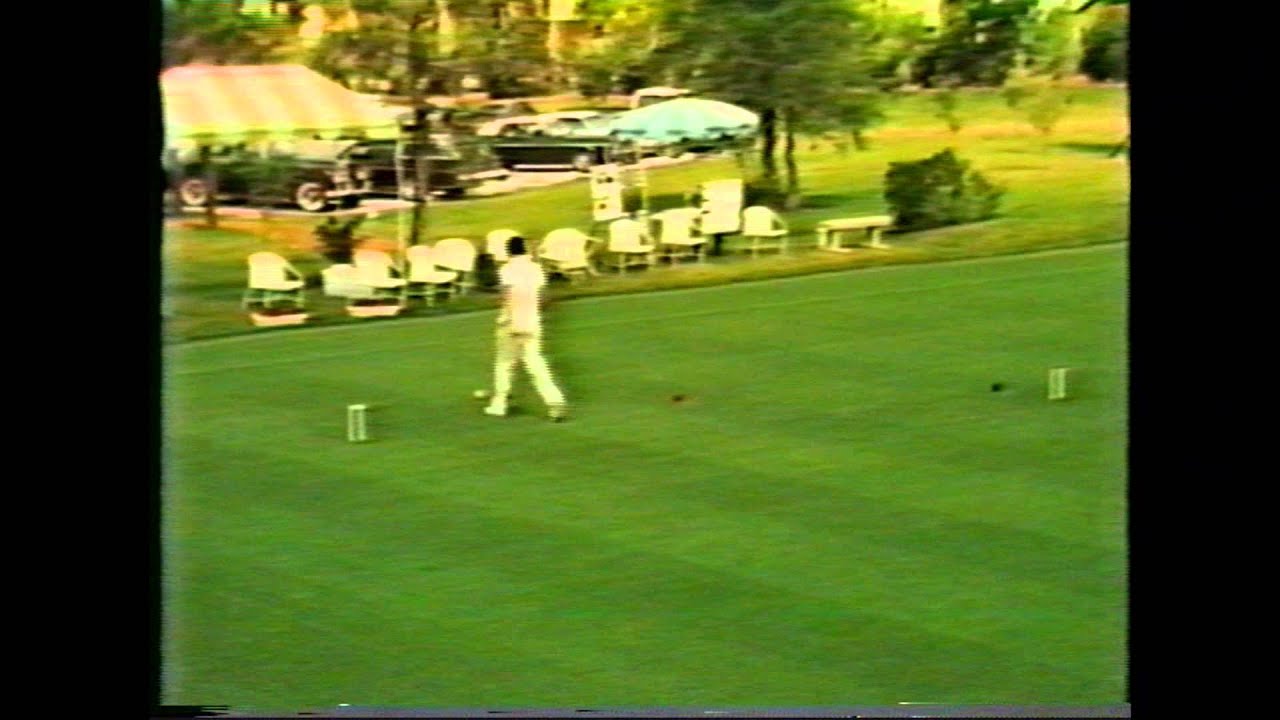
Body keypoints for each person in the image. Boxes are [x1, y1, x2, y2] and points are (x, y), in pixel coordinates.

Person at [484, 236, 568, 422]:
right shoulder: (535, 268)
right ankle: (554, 401)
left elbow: (505, 296)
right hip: (531, 322)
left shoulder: (507, 269)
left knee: (505, 364)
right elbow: (544, 297)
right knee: (536, 364)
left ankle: (499, 404)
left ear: (508, 251)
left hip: (510, 322)